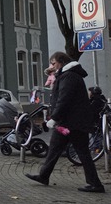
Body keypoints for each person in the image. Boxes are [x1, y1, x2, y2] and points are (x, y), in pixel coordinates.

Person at [25, 52, 105, 193]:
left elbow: (64, 99)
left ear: (61, 62)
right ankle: (44, 175)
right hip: (68, 122)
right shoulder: (67, 75)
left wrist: (54, 118)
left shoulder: (69, 77)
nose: (52, 66)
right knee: (55, 149)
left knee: (82, 152)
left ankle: (95, 184)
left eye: (53, 63)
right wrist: (52, 72)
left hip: (73, 122)